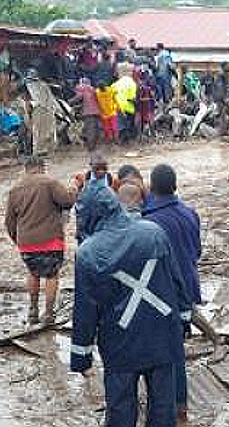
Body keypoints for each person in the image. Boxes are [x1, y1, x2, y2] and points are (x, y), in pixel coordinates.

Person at [70, 180, 189, 427]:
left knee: (121, 411)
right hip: (162, 336)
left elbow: (85, 311)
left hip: (120, 343)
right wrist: (184, 320)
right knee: (163, 410)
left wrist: (81, 356)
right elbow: (177, 282)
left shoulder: (87, 253)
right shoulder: (154, 232)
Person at [142, 164, 224, 421]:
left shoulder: (148, 222)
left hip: (161, 294)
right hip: (187, 288)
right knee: (177, 349)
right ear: (175, 186)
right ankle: (181, 406)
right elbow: (196, 251)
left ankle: (162, 407)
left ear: (151, 189)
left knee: (161, 352)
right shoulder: (190, 214)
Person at [6, 156, 80, 324]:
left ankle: (32, 310)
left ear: (26, 169)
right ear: (42, 167)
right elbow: (67, 201)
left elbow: (9, 222)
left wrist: (18, 240)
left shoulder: (15, 189)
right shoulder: (49, 182)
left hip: (26, 244)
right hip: (51, 240)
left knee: (33, 272)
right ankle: (48, 313)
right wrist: (75, 188)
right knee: (51, 275)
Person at [75, 153, 115, 244]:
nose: (101, 172)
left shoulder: (109, 177)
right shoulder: (85, 178)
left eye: (104, 168)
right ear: (91, 167)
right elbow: (79, 200)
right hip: (88, 214)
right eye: (97, 169)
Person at [71, 78, 103, 152]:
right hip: (97, 112)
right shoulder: (93, 89)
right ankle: (96, 146)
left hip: (88, 112)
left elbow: (78, 97)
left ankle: (91, 148)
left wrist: (69, 102)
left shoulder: (81, 88)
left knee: (90, 130)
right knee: (96, 130)